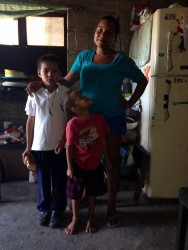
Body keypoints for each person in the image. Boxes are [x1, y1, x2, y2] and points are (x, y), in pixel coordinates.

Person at [26, 15, 148, 227]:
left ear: (114, 37)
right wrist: (42, 82)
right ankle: (81, 196)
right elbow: (65, 81)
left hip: (110, 117)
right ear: (95, 32)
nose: (102, 35)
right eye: (99, 30)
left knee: (111, 163)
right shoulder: (84, 57)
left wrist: (130, 102)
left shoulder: (121, 60)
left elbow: (142, 80)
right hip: (84, 119)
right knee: (82, 159)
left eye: (108, 32)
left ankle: (110, 207)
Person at [22, 54, 69, 228]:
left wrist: (64, 141)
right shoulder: (34, 94)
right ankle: (44, 209)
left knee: (59, 179)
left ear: (60, 73)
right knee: (42, 179)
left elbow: (69, 120)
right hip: (39, 146)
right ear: (39, 73)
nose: (50, 74)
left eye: (54, 71)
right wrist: (28, 147)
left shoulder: (65, 93)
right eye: (46, 70)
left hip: (59, 146)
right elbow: (30, 121)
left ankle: (57, 209)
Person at [63, 90, 111, 234]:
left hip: (95, 165)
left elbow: (103, 140)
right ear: (75, 109)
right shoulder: (73, 124)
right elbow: (69, 146)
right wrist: (69, 167)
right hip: (78, 165)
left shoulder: (99, 119)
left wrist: (107, 159)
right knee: (75, 194)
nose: (84, 97)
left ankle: (91, 218)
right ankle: (75, 219)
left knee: (92, 193)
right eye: (80, 98)